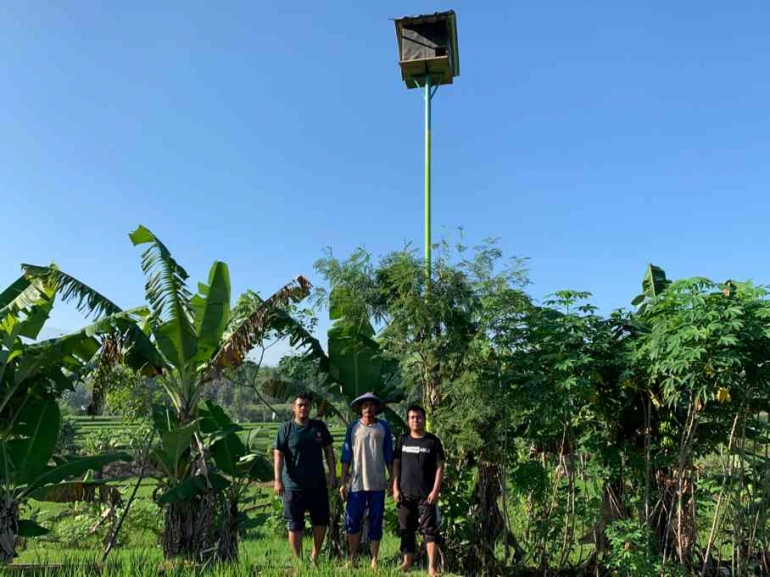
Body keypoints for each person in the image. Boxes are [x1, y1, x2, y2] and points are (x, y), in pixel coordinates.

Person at [273, 391, 336, 565]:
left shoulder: (319, 427)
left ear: (310, 408)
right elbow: (278, 455)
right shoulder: (285, 429)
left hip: (317, 485)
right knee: (295, 524)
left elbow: (329, 451)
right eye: (300, 405)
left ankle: (315, 556)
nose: (303, 408)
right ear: (294, 408)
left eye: (307, 405)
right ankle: (298, 560)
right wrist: (277, 480)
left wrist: (332, 474)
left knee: (321, 521)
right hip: (293, 486)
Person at [340, 392, 394, 569]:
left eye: (371, 405)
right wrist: (343, 482)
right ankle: (353, 558)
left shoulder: (383, 427)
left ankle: (374, 560)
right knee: (352, 520)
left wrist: (392, 479)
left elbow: (388, 455)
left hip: (378, 483)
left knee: (376, 520)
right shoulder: (353, 428)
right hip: (357, 483)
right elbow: (346, 456)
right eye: (365, 406)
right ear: (360, 409)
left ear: (376, 408)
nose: (368, 409)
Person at [393, 404, 445, 576]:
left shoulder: (433, 441)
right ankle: (407, 562)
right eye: (412, 417)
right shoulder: (402, 440)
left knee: (429, 530)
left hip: (426, 495)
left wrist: (435, 490)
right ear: (408, 420)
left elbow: (440, 466)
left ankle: (432, 567)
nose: (416, 420)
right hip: (405, 494)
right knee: (406, 528)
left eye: (419, 417)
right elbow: (396, 465)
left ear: (424, 419)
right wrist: (395, 487)